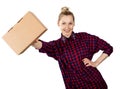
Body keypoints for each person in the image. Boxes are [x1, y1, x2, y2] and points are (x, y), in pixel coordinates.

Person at [32, 7, 113, 89]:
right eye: (63, 23)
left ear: (74, 24)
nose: (67, 27)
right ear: (58, 24)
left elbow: (108, 48)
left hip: (95, 85)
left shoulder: (85, 37)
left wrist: (95, 63)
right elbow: (41, 45)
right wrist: (32, 41)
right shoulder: (56, 46)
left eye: (70, 23)